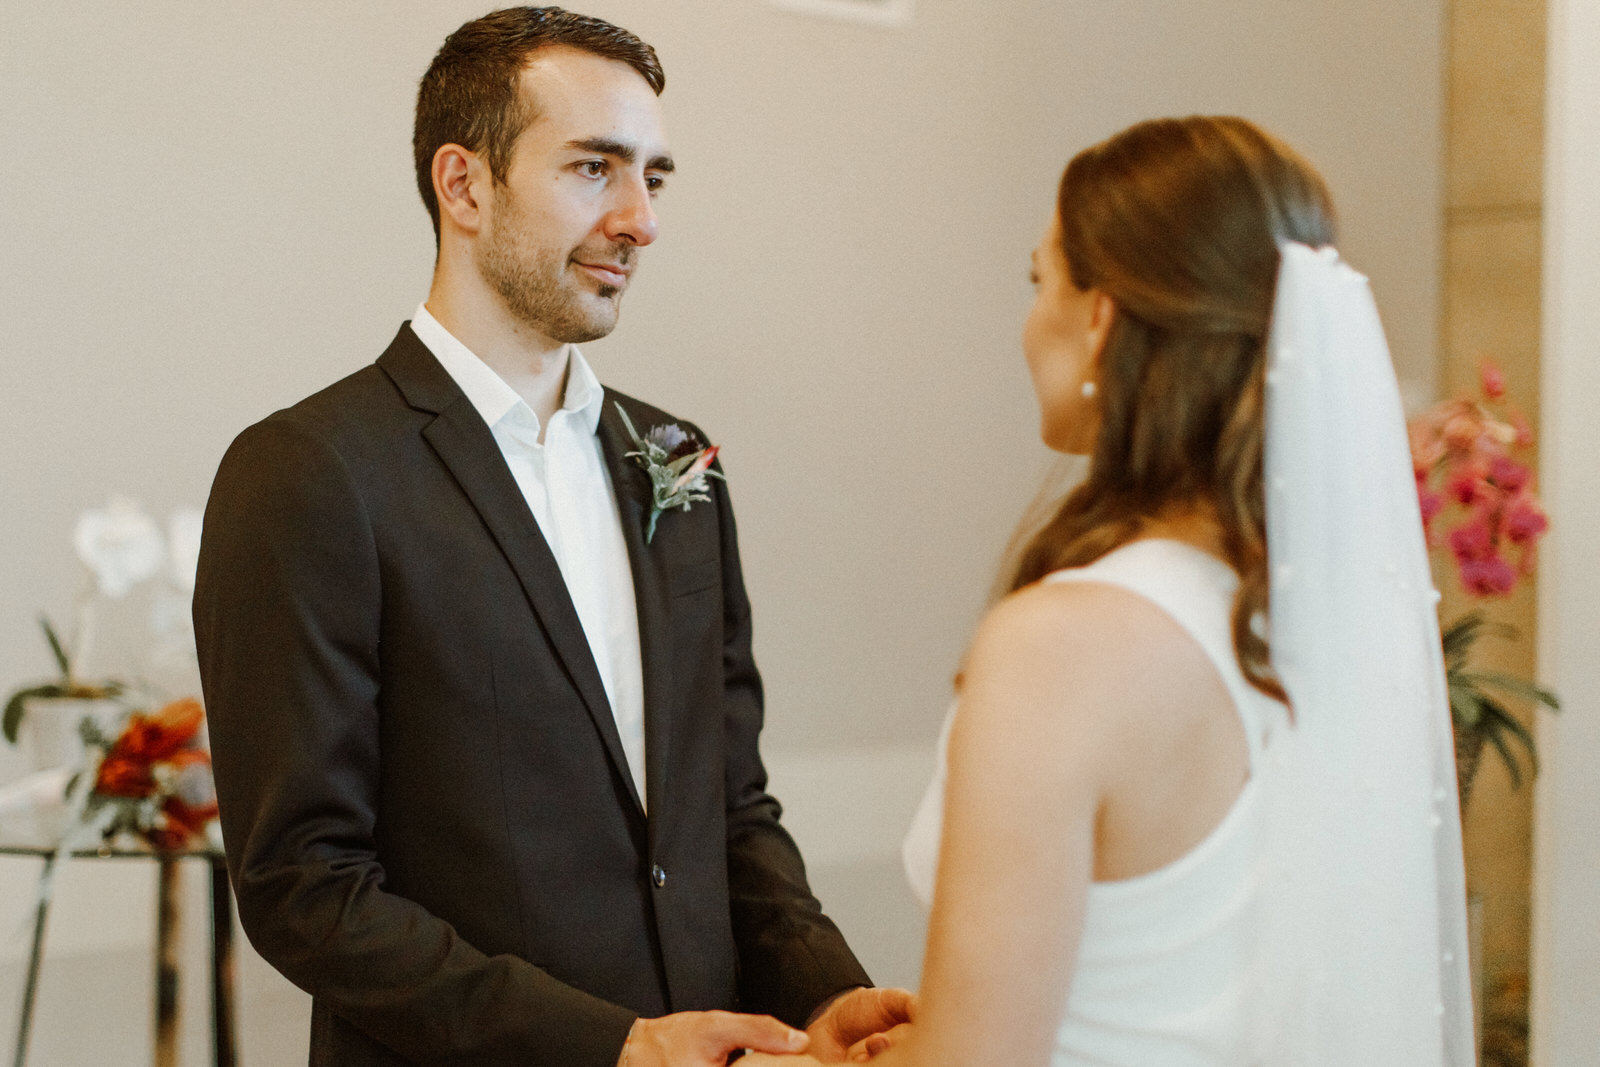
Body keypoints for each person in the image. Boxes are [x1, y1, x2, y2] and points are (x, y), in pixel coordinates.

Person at [192, 8, 909, 1066]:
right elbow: (305, 885)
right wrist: (611, 1044)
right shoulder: (311, 472)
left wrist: (826, 993)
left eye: (653, 178)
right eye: (593, 168)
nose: (640, 219)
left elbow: (728, 810)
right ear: (464, 185)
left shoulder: (677, 459)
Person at [745, 116, 1473, 1066]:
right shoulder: (1326, 627)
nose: (1026, 322)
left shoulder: (1064, 644)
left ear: (1099, 319)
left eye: (1038, 280)